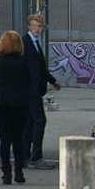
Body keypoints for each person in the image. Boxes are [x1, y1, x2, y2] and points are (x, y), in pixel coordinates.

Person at [0, 31, 34, 184]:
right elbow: (29, 81)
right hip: (19, 103)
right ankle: (19, 172)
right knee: (17, 138)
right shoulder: (24, 62)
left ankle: (6, 173)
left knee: (4, 138)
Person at [22, 14, 62, 169]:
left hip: (34, 90)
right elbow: (32, 69)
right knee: (39, 120)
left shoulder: (35, 43)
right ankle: (36, 157)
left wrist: (52, 81)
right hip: (31, 90)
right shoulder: (27, 43)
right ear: (28, 26)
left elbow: (40, 68)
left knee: (30, 122)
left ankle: (25, 156)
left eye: (40, 26)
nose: (37, 29)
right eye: (34, 25)